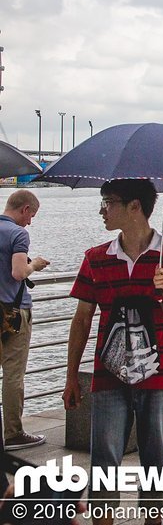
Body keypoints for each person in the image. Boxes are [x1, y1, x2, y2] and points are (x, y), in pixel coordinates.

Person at [63, 179, 163, 524]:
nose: (102, 210)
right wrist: (71, 377)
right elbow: (82, 320)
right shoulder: (96, 258)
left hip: (161, 372)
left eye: (108, 202)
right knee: (103, 459)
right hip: (107, 373)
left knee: (155, 458)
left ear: (134, 206)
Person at [0, 190, 49, 451]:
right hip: (14, 314)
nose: (30, 222)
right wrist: (35, 265)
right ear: (25, 209)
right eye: (32, 216)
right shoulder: (18, 234)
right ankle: (13, 433)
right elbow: (18, 273)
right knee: (13, 375)